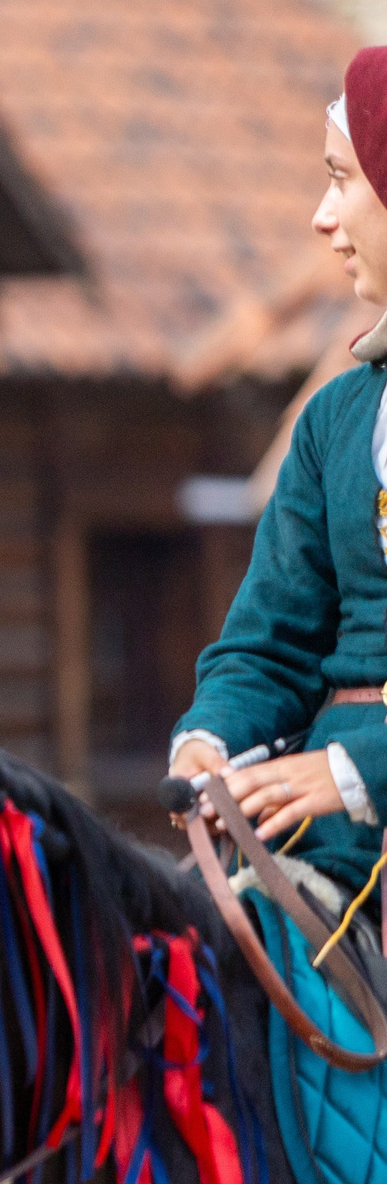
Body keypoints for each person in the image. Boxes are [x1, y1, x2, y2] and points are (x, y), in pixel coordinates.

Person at [172, 47, 387, 898]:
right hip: (326, 856)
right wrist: (209, 743)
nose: (320, 217)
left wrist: (357, 767)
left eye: (342, 179)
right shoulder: (334, 422)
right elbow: (269, 642)